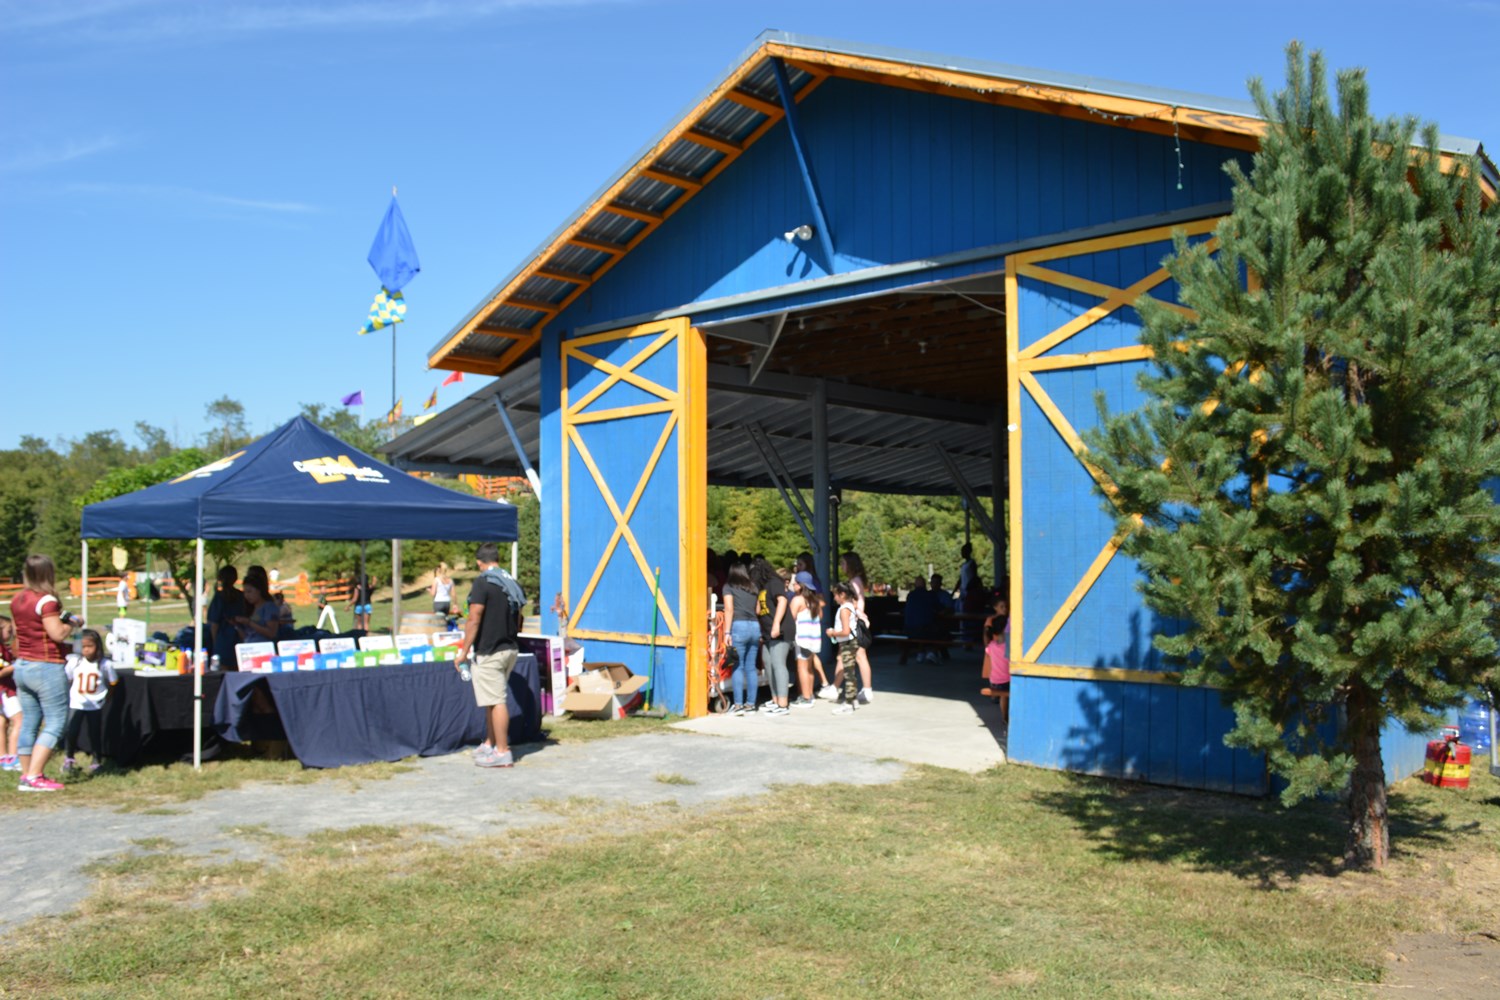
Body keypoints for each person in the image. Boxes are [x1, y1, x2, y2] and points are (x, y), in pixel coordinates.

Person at [11, 554, 80, 792]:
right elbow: (57, 634)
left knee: (30, 721)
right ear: (48, 573)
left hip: (22, 665)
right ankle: (34, 776)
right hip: (45, 665)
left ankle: (26, 774)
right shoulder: (47, 600)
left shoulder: (17, 598)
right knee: (56, 722)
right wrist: (73, 622)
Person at [454, 542, 524, 768]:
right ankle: (490, 742)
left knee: (496, 701)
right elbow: (520, 617)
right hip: (510, 647)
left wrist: (463, 652)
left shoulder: (483, 582)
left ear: (479, 562)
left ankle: (502, 752)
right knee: (490, 700)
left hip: (490, 650)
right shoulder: (510, 582)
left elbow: (474, 617)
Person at [63, 629, 117, 774]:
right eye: (83, 646)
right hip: (77, 703)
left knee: (95, 733)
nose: (86, 650)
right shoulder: (74, 661)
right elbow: (68, 678)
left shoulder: (105, 664)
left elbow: (113, 682)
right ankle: (69, 758)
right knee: (72, 731)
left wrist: (106, 698)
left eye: (90, 646)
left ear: (97, 646)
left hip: (95, 704)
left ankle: (96, 759)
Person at [752, 559, 791, 716]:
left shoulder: (774, 582)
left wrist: (776, 624)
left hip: (781, 630)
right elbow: (759, 609)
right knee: (768, 663)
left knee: (778, 664)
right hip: (767, 632)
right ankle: (775, 699)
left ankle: (783, 704)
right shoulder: (763, 587)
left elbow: (782, 601)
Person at [721, 561, 760, 716]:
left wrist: (726, 633)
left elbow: (729, 609)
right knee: (751, 668)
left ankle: (738, 705)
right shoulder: (753, 587)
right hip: (755, 626)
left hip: (739, 626)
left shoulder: (728, 586)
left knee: (738, 666)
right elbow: (757, 609)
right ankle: (751, 705)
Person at [790, 572, 831, 704]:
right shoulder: (815, 601)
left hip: (801, 639)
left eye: (795, 582)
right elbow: (820, 617)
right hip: (813, 639)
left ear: (801, 585)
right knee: (809, 668)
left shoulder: (797, 600)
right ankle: (810, 695)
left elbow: (791, 619)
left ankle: (806, 698)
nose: (793, 585)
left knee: (801, 668)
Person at [839, 551, 875, 704]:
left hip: (855, 622)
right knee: (854, 657)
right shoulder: (858, 580)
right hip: (858, 620)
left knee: (859, 657)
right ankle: (864, 689)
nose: (841, 566)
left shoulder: (854, 582)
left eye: (843, 563)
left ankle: (866, 690)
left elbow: (855, 602)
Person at [825, 581, 862, 715]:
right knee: (850, 672)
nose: (834, 598)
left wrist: (832, 633)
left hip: (848, 643)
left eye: (835, 595)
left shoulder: (844, 610)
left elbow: (845, 631)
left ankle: (848, 703)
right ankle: (853, 700)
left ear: (842, 594)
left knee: (848, 673)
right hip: (851, 642)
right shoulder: (850, 606)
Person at [207, 566, 246, 670]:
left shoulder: (219, 597)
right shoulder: (242, 596)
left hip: (222, 639)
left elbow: (214, 623)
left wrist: (215, 642)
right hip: (240, 637)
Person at [981, 596, 1011, 726]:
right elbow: (986, 635)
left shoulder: (992, 645)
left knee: (997, 671)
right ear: (995, 607)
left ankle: (996, 694)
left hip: (994, 650)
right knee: (997, 670)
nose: (1005, 609)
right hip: (999, 651)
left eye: (1006, 606)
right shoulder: (995, 621)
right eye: (1001, 607)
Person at [903, 575, 945, 664]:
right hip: (925, 630)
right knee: (940, 630)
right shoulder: (930, 595)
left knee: (922, 625)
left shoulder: (910, 595)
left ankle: (921, 652)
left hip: (909, 630)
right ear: (925, 585)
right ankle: (932, 652)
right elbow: (940, 608)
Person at [234, 571, 281, 643]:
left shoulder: (269, 607)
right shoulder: (250, 608)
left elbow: (271, 633)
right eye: (245, 592)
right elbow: (247, 636)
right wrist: (237, 625)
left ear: (259, 590)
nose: (246, 595)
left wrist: (249, 622)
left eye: (249, 592)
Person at [0, 615, 20, 771]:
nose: (12, 633)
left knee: (2, 723)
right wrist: (17, 665)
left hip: (5, 691)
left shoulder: (4, 648)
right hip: (5, 691)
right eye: (9, 630)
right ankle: (13, 757)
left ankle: (3, 757)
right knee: (20, 720)